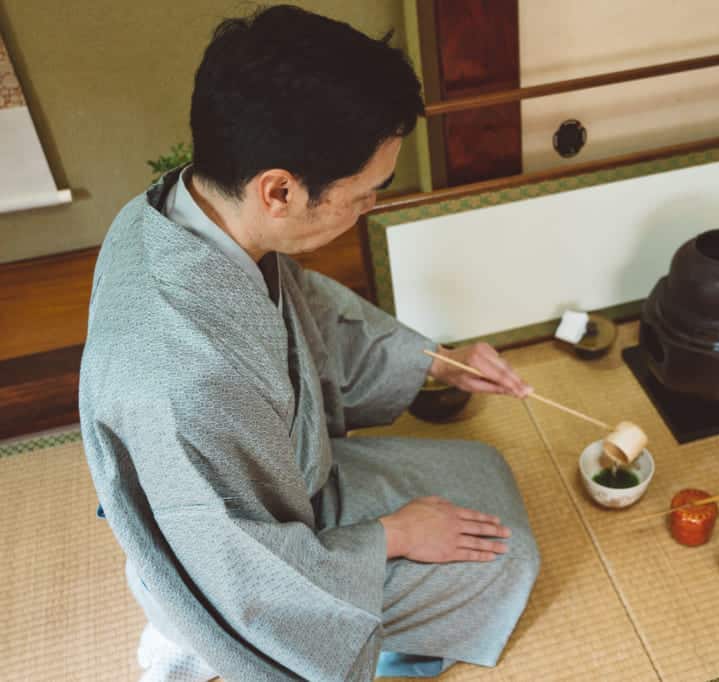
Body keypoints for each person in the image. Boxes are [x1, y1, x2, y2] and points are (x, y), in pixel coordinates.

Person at [78, 5, 541, 680]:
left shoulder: (188, 212)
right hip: (236, 575)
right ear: (280, 191)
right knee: (507, 559)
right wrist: (393, 536)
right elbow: (243, 568)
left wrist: (439, 363)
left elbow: (315, 318)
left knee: (485, 472)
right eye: (366, 194)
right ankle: (193, 642)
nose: (372, 207)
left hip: (282, 489)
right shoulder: (181, 379)